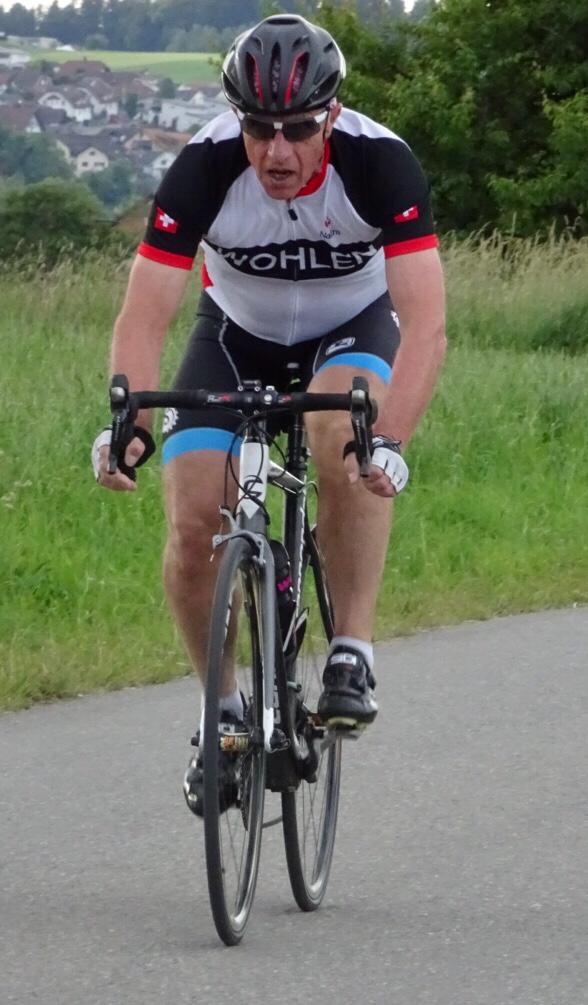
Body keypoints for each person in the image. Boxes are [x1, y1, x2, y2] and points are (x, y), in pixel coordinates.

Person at [92, 14, 446, 816]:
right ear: (237, 121)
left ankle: (351, 650)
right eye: (258, 129)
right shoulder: (205, 165)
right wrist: (129, 423)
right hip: (234, 334)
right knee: (192, 522)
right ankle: (221, 713)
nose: (277, 151)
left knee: (341, 433)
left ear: (332, 115)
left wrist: (391, 437)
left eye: (298, 129)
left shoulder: (381, 162)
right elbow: (144, 314)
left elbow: (427, 325)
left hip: (353, 327)